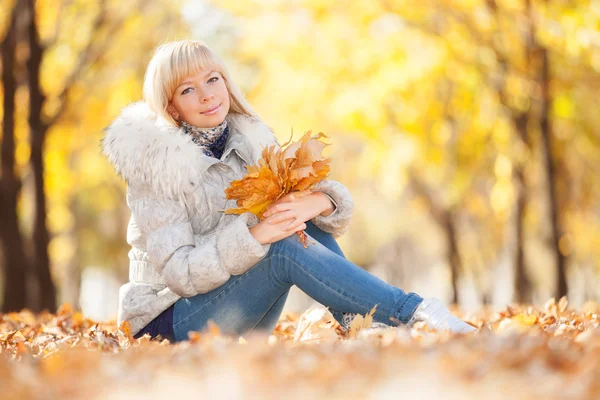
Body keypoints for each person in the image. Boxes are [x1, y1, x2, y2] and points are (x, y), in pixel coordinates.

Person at [101, 39, 477, 343]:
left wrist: (320, 200)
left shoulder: (248, 139)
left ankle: (364, 322)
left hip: (236, 310)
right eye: (188, 89)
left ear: (226, 82)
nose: (206, 95)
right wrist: (257, 235)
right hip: (167, 326)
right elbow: (180, 274)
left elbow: (307, 198)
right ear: (173, 108)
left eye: (212, 79)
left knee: (296, 218)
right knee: (279, 243)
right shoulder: (157, 167)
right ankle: (413, 314)